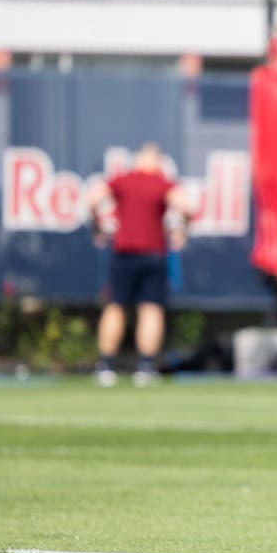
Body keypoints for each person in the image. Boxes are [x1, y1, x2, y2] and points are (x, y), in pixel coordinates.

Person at [86, 142, 194, 388]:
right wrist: (182, 230)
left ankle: (106, 367)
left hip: (124, 254)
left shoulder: (124, 180)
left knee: (116, 307)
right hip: (153, 255)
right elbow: (187, 207)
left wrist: (97, 227)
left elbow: (93, 199)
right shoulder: (162, 183)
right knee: (150, 309)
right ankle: (145, 367)